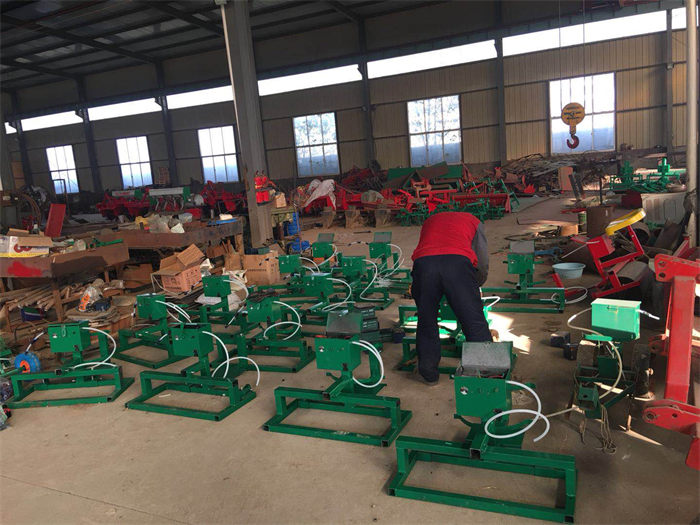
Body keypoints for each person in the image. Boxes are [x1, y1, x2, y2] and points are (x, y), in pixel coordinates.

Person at [410, 211, 492, 385]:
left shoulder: (430, 220)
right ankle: (485, 374)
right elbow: (482, 259)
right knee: (473, 320)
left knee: (426, 319)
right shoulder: (474, 221)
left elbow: (428, 246)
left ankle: (428, 373)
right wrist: (475, 284)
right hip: (457, 264)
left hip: (424, 265)